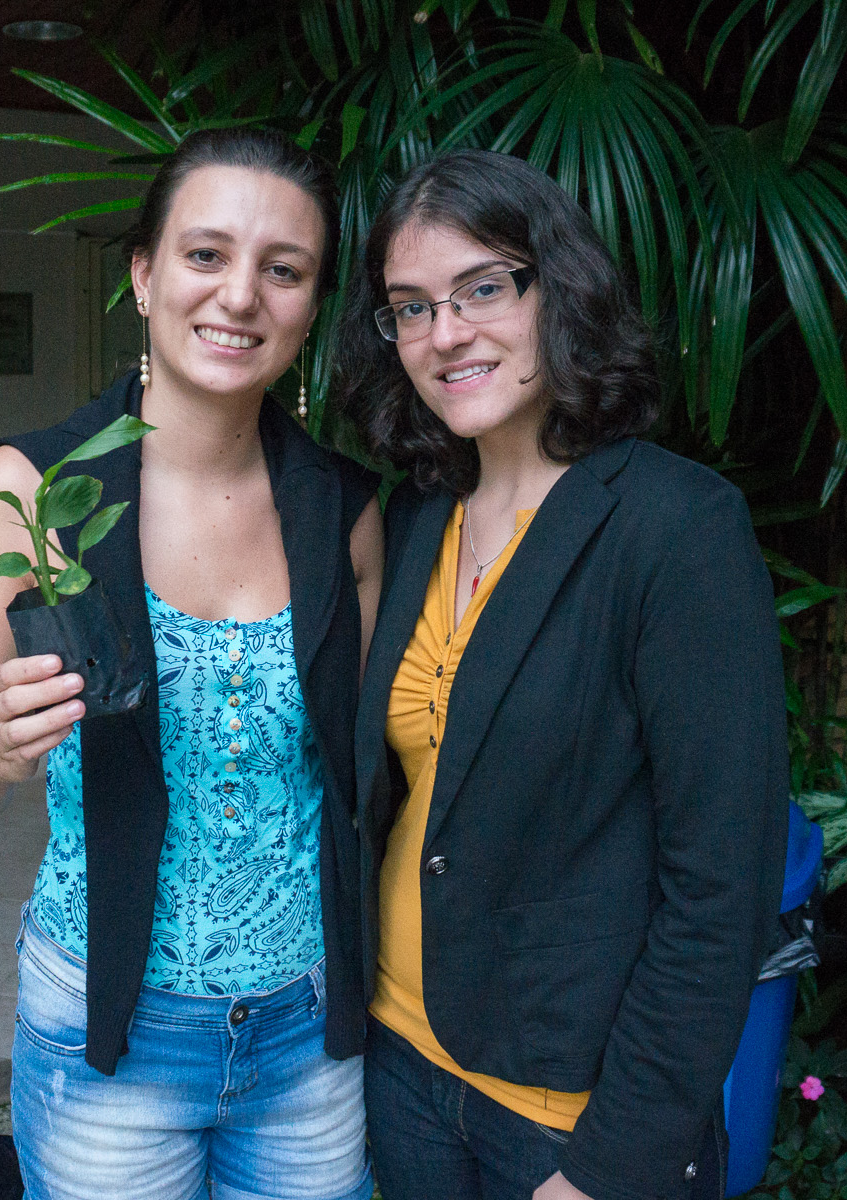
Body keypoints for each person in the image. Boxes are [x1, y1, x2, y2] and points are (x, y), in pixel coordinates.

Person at [0, 129, 383, 1200]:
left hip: (311, 1038)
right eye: (205, 254)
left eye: (283, 270)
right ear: (142, 275)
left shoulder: (345, 512)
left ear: (313, 306)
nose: (240, 295)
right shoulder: (35, 489)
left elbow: (367, 781)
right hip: (107, 1034)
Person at [336, 150, 788, 1200]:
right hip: (400, 1062)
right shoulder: (417, 514)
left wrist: (615, 1160)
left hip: (565, 1116)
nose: (446, 333)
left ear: (561, 288)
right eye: (412, 307)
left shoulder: (675, 527)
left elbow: (722, 887)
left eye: (483, 288)